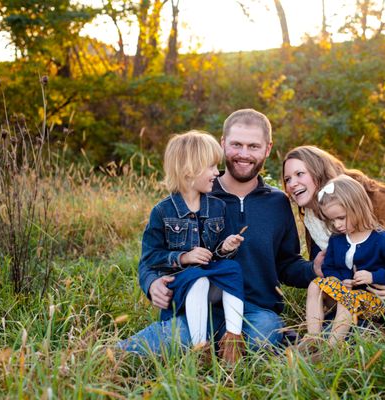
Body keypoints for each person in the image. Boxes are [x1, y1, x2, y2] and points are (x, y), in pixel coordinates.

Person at [120, 110, 321, 355]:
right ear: (223, 143)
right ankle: (123, 352)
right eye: (236, 144)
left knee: (264, 334)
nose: (244, 154)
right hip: (200, 306)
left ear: (267, 149)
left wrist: (313, 269)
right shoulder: (195, 191)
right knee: (172, 337)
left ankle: (224, 345)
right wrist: (151, 284)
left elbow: (286, 263)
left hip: (255, 311)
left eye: (253, 146)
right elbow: (151, 258)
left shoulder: (277, 202)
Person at [282, 146, 385, 331]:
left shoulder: (374, 199)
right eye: (287, 179)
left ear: (318, 171)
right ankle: (374, 331)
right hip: (359, 300)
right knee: (330, 343)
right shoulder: (314, 219)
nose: (292, 184)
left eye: (299, 174)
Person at [121, 131, 246, 363]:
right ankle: (201, 347)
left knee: (233, 271)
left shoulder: (217, 207)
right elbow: (151, 257)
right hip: (182, 283)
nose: (216, 173)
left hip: (212, 278)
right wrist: (185, 257)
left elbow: (216, 253)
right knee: (198, 279)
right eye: (211, 166)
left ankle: (233, 340)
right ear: (190, 170)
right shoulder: (162, 212)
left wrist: (226, 248)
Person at [303, 175, 385, 346]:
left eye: (341, 218)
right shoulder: (337, 239)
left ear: (358, 208)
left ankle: (331, 347)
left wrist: (373, 276)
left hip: (372, 301)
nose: (336, 225)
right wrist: (340, 279)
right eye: (331, 220)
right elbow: (329, 266)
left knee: (348, 300)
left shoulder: (381, 238)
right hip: (346, 293)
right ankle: (313, 337)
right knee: (315, 284)